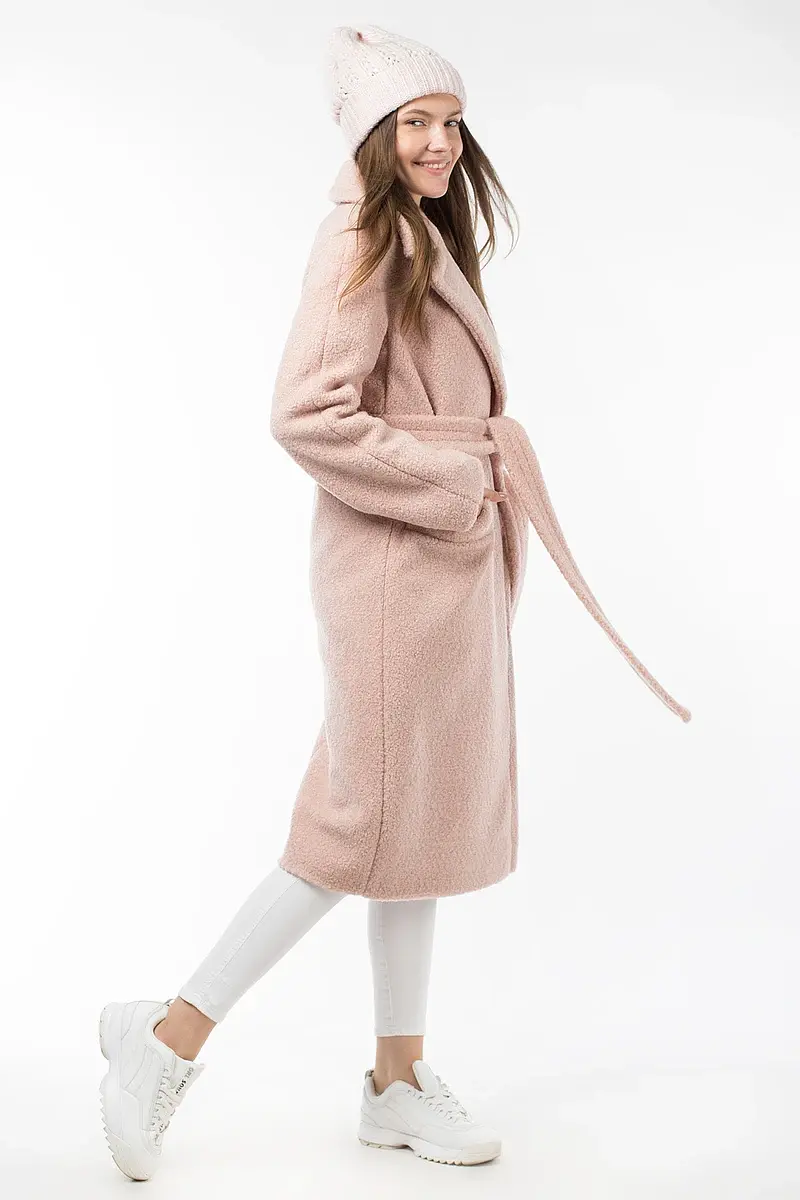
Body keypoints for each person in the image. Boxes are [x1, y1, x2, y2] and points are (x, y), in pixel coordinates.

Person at [98, 23, 691, 1184]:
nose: (436, 141)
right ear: (371, 135)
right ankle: (163, 1038)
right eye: (412, 122)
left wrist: (470, 500)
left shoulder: (421, 233)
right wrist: (453, 486)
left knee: (411, 831)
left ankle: (396, 1080)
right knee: (356, 825)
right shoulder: (362, 237)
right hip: (392, 565)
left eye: (448, 120)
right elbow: (303, 413)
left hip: (441, 565)